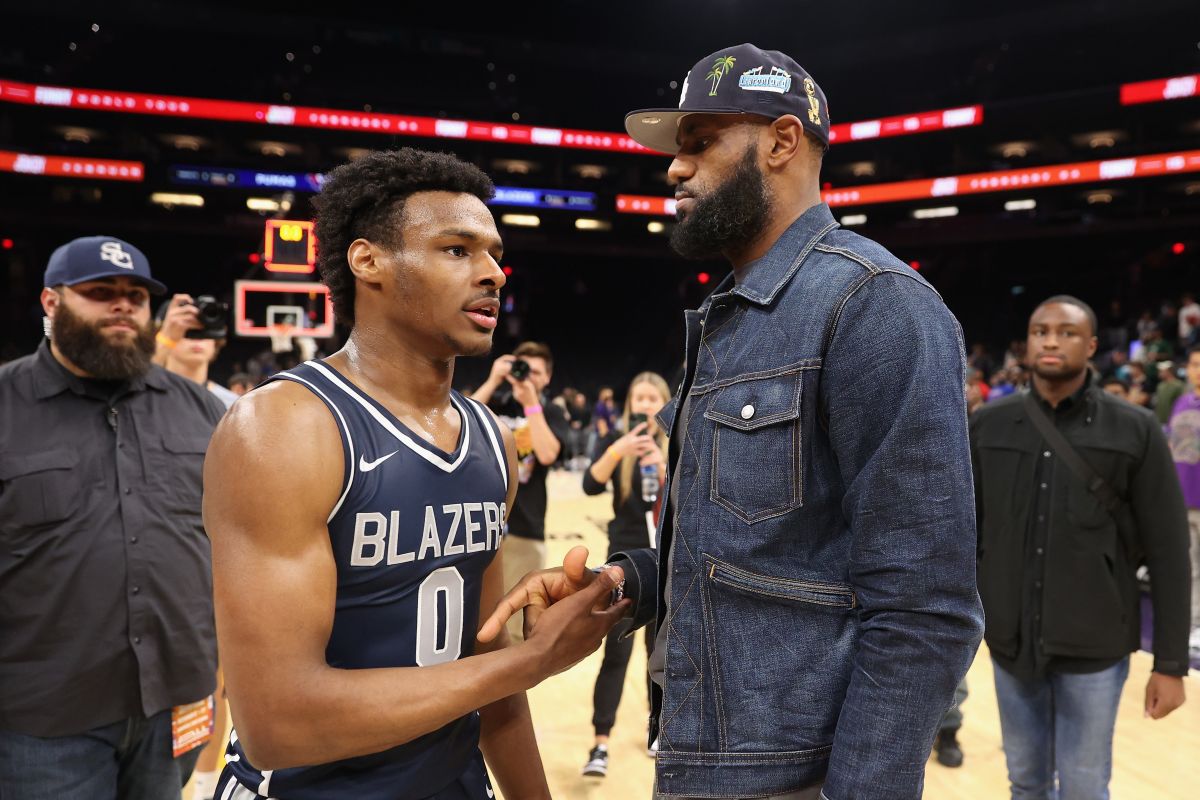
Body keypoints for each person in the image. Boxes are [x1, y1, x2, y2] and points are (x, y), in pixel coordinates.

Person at [482, 43, 983, 800]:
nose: (675, 169)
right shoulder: (731, 316)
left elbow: (925, 609)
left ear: (783, 141)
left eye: (700, 142)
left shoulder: (876, 304)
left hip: (794, 776)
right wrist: (628, 581)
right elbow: (760, 551)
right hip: (702, 753)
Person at [203, 149, 626, 799]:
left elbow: (488, 671)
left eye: (493, 253)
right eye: (457, 250)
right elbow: (276, 722)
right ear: (368, 261)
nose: (492, 273)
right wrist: (531, 660)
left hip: (453, 781)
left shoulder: (488, 436)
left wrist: (515, 674)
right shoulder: (286, 428)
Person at [0, 236, 225, 799]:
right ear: (52, 304)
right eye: (101, 293)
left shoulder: (198, 407)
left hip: (176, 698)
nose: (123, 305)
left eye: (135, 295)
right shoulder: (5, 403)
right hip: (43, 717)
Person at [972, 295, 1190, 799]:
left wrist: (1170, 665)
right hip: (1011, 646)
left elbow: (1169, 554)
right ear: (1026, 343)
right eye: (1040, 330)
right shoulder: (989, 425)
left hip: (1096, 649)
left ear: (1091, 346)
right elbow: (969, 534)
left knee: (1085, 787)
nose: (1051, 339)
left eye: (1067, 332)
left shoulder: (1134, 430)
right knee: (1024, 783)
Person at [580, 372, 671, 778]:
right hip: (623, 566)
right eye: (640, 397)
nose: (647, 404)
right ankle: (600, 743)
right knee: (615, 654)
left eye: (654, 398)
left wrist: (666, 468)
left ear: (666, 402)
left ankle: (660, 731)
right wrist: (620, 449)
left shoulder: (677, 444)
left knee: (662, 654)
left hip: (666, 562)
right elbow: (589, 484)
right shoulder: (617, 446)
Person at [472, 341, 571, 640]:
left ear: (548, 377)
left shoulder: (551, 412)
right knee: (476, 620)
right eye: (523, 369)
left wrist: (531, 403)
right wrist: (492, 380)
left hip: (525, 529)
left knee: (513, 629)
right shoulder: (497, 404)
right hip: (483, 524)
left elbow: (547, 454)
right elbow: (459, 424)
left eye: (537, 373)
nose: (529, 378)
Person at [1166, 344, 1200, 661]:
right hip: (1182, 497)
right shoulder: (1181, 402)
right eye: (1194, 364)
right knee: (1189, 567)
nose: (1197, 370)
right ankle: (1193, 625)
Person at [155, 297, 239, 409]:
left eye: (206, 329)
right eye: (188, 329)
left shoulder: (233, 405)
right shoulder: (144, 398)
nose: (198, 338)